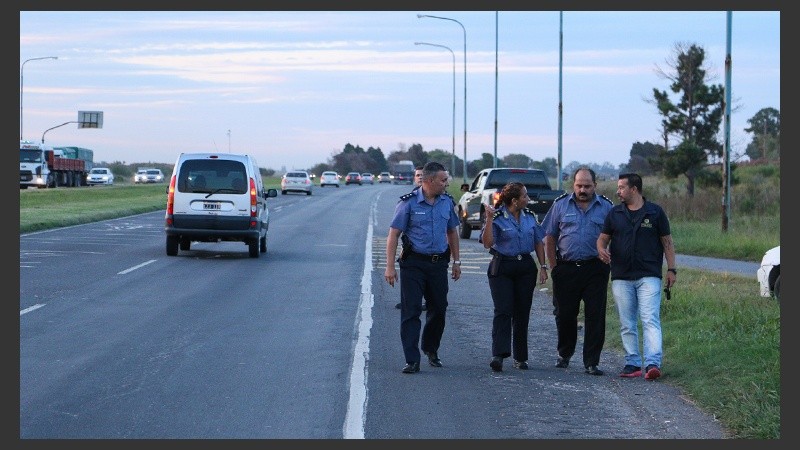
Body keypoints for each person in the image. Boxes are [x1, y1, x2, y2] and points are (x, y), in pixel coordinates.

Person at [596, 173, 676, 381]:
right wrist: (601, 250)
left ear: (634, 189)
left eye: (622, 187)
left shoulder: (655, 213)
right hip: (621, 276)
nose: (618, 191)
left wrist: (671, 269)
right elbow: (602, 239)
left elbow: (667, 242)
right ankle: (632, 363)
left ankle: (652, 363)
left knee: (650, 318)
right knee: (627, 322)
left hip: (649, 275)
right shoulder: (615, 214)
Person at [385, 161, 462, 374]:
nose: (446, 184)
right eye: (443, 180)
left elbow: (453, 232)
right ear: (429, 181)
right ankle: (412, 359)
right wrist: (390, 267)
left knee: (438, 309)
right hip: (413, 264)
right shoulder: (407, 203)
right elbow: (393, 235)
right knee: (411, 311)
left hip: (438, 264)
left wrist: (456, 261)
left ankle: (431, 349)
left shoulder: (446, 202)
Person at [541, 167, 613, 376]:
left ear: (595, 186)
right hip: (567, 268)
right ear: (573, 185)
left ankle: (591, 361)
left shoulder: (606, 207)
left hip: (595, 269)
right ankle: (564, 354)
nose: (583, 190)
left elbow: (615, 236)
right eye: (579, 185)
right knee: (565, 314)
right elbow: (550, 236)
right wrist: (554, 267)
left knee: (595, 315)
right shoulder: (560, 205)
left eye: (587, 186)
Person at [480, 182, 548, 372]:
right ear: (515, 200)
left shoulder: (530, 217)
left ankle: (521, 357)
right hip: (502, 265)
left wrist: (543, 266)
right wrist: (490, 220)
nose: (528, 199)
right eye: (525, 196)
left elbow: (538, 242)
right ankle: (498, 355)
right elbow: (487, 243)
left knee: (522, 312)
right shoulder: (498, 217)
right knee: (503, 310)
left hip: (525, 266)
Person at [396, 166, 426, 310]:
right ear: (414, 178)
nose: (420, 177)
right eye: (417, 175)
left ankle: (427, 301)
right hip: (411, 245)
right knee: (407, 271)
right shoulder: (409, 199)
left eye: (422, 175)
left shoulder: (440, 197)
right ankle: (406, 301)